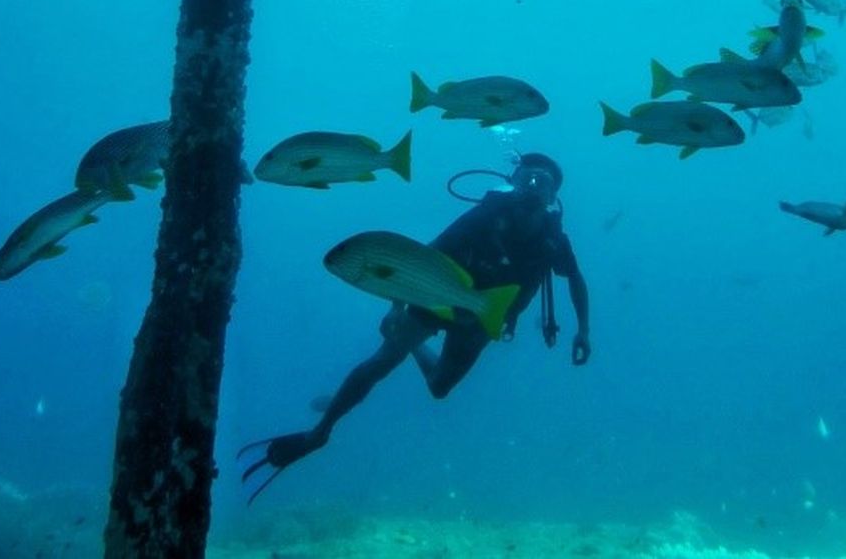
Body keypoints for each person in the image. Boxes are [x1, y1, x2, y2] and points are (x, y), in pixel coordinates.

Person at [240, 152, 591, 500]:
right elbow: (417, 259)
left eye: (542, 183)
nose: (532, 187)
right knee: (380, 362)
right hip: (439, 300)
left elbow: (575, 279)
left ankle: (413, 347)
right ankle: (319, 432)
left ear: (552, 197)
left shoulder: (554, 239)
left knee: (439, 388)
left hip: (482, 318)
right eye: (526, 177)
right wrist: (397, 307)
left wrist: (583, 330)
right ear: (512, 181)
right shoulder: (484, 217)